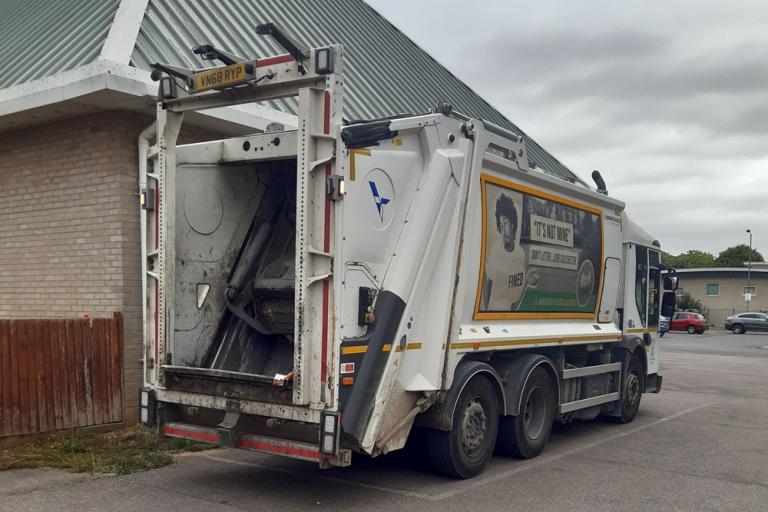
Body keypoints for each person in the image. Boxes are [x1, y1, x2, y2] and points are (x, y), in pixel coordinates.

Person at [483, 192, 531, 311]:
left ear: (513, 224)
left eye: (506, 223)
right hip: (490, 314)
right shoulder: (495, 249)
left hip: (507, 316)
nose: (503, 230)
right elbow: (488, 286)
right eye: (500, 225)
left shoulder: (520, 254)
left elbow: (517, 292)